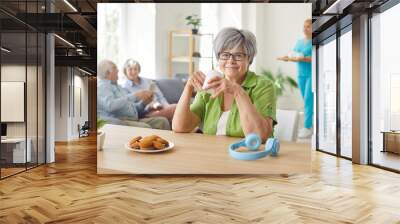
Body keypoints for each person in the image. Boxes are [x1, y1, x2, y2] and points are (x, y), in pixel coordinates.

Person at [172, 27, 277, 142]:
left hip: (252, 156)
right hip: (214, 156)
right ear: (218, 58)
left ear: (249, 59)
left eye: (238, 55)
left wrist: (237, 92)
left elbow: (259, 136)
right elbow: (180, 127)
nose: (231, 60)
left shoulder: (264, 86)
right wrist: (188, 88)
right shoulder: (211, 84)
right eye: (225, 55)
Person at [97, 59, 170, 130]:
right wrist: (135, 95)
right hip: (122, 121)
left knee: (163, 121)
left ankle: (168, 142)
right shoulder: (103, 86)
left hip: (134, 119)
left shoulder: (118, 87)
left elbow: (132, 107)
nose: (118, 70)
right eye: (115, 68)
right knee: (145, 128)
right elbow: (110, 105)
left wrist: (144, 103)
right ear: (107, 73)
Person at [277, 19, 313, 138]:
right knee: (306, 99)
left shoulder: (314, 41)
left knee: (308, 99)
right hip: (301, 74)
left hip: (311, 74)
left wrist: (302, 59)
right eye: (304, 26)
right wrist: (285, 57)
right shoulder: (299, 42)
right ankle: (311, 124)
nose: (305, 29)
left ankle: (307, 127)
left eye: (308, 26)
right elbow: (294, 55)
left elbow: (314, 57)